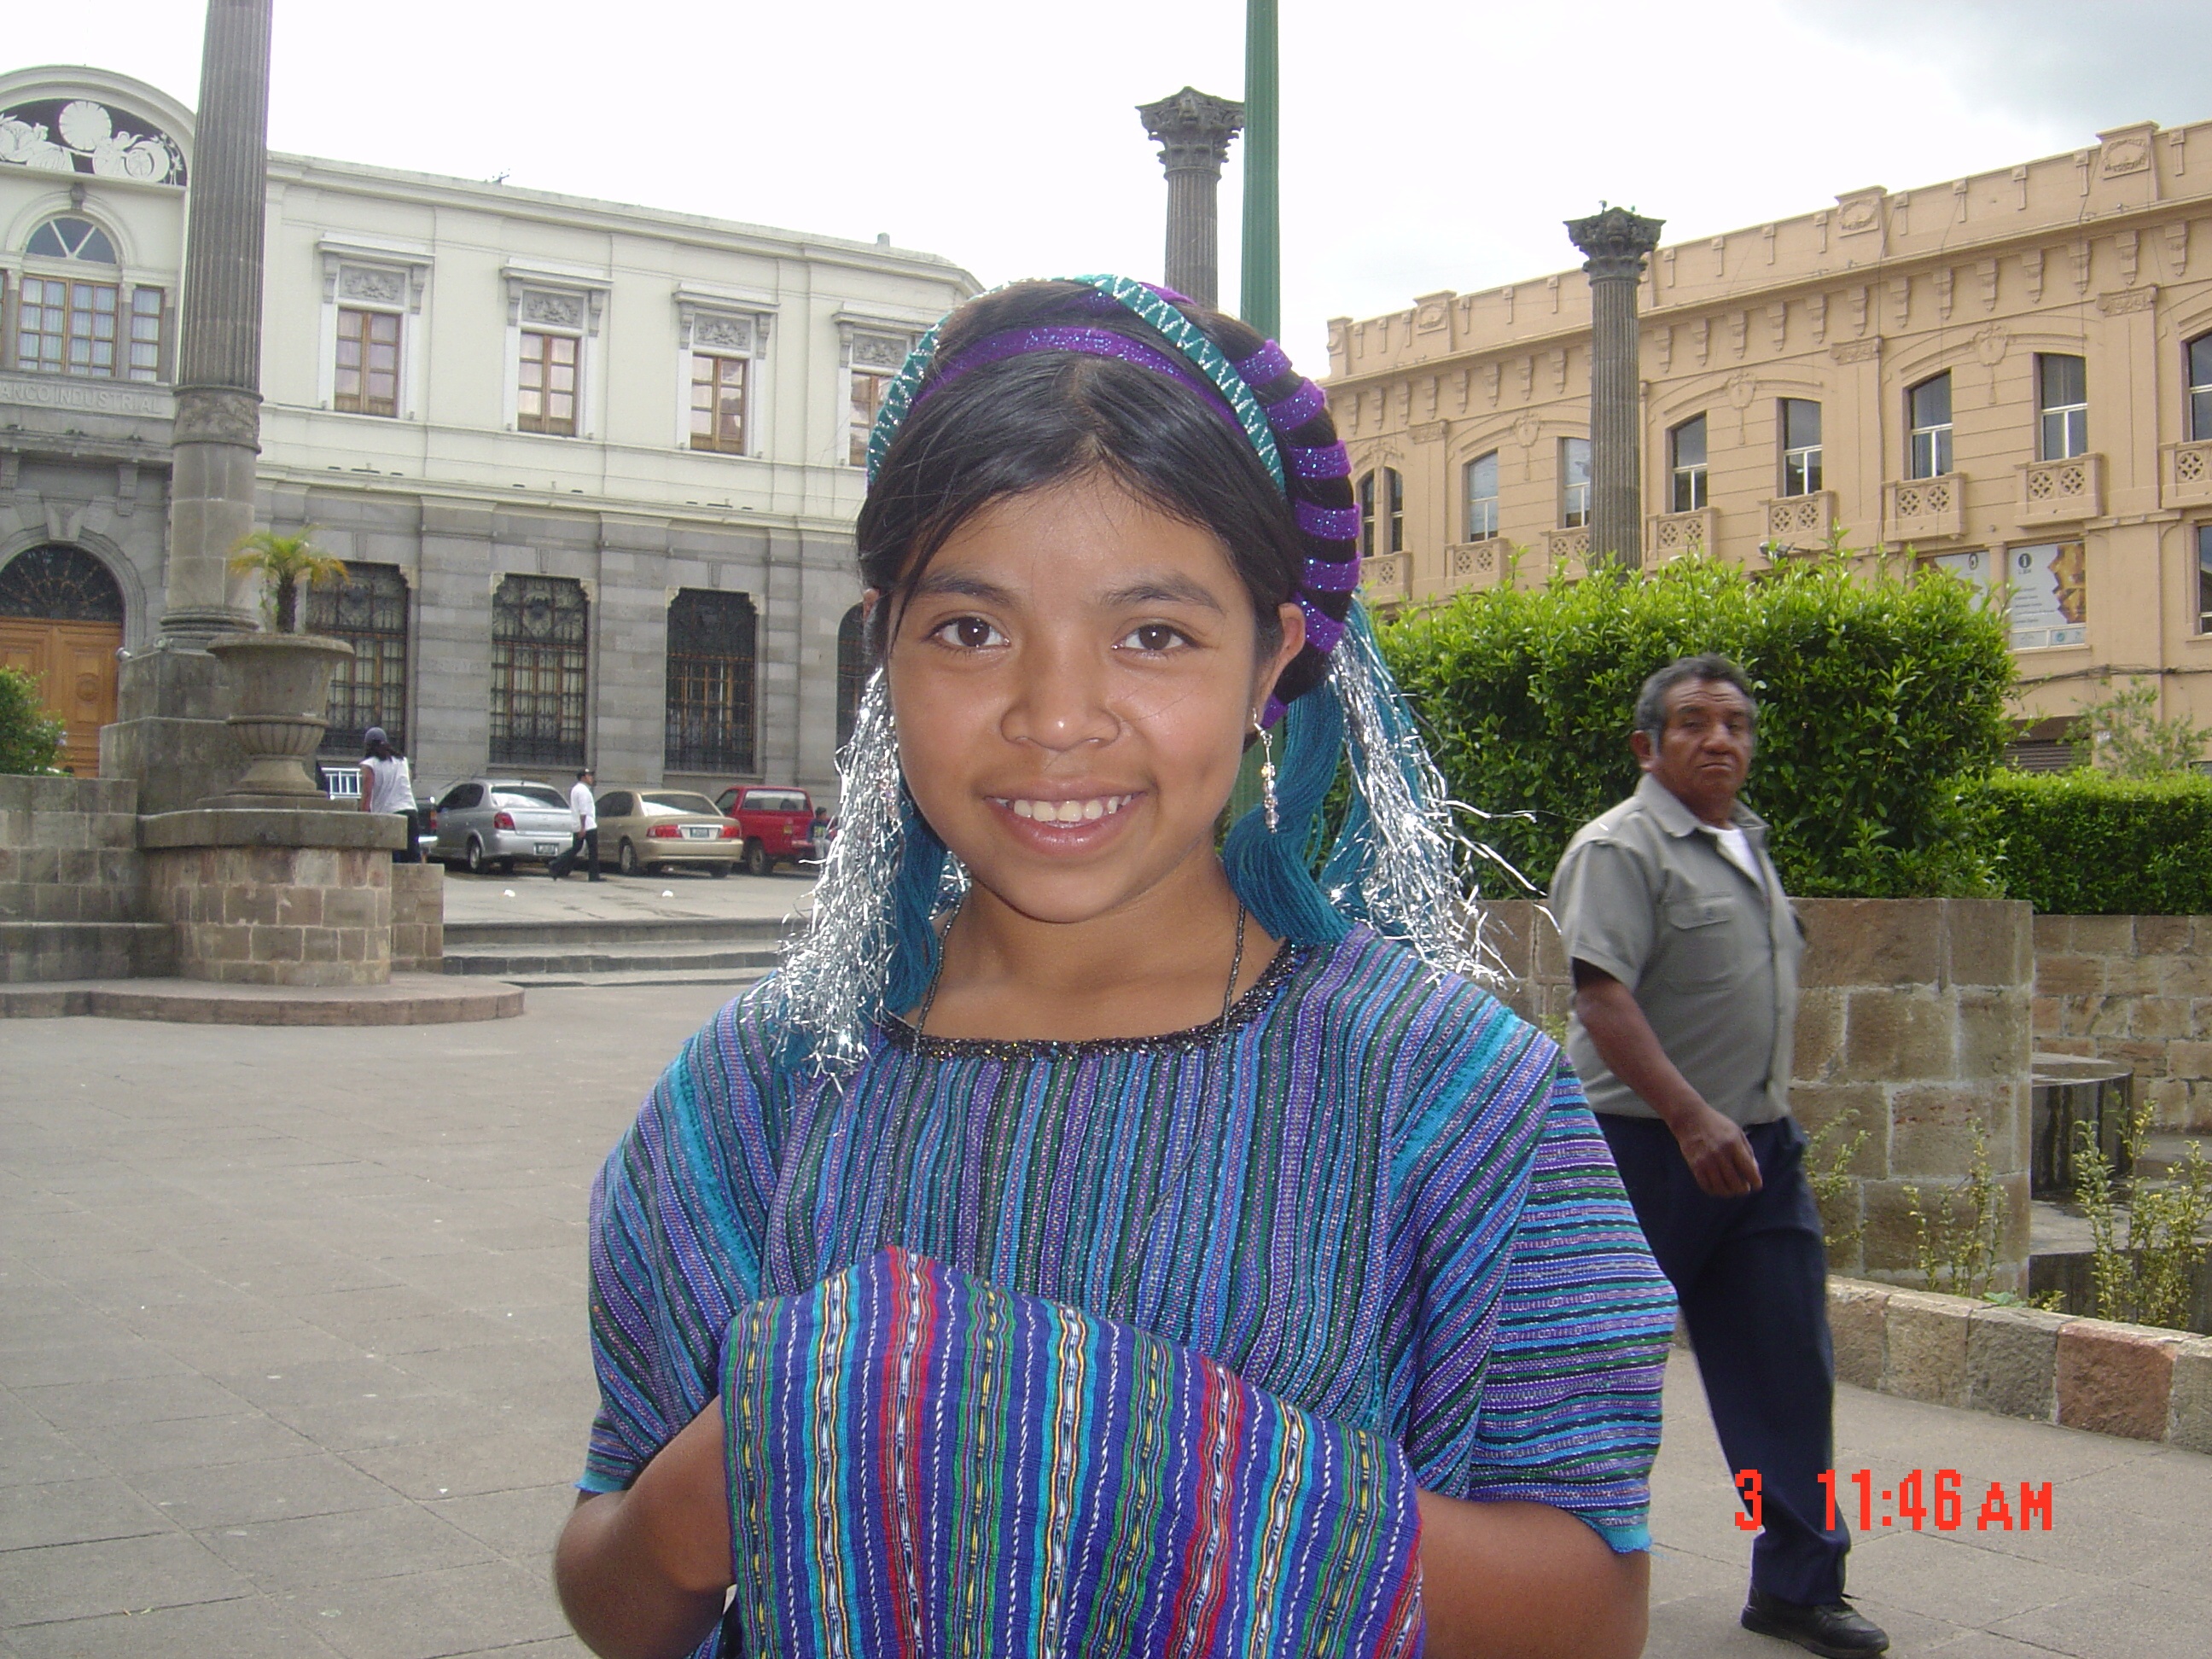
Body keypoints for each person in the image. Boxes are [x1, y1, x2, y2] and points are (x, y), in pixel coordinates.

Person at [554, 276, 1674, 1659]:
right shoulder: (760, 1090)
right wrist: (738, 1464)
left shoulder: (1455, 1101)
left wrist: (1113, 1445)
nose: (1057, 715)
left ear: (1271, 657)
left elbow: (1589, 1611)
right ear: (884, 644)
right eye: (970, 629)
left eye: (1153, 634)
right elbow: (611, 1589)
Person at [1551, 655, 1889, 1659]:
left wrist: (1731, 1124)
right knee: (1600, 1370)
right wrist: (1691, 1117)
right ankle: (1556, 1576)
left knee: (1788, 1369)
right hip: (1641, 1151)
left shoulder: (1748, 843)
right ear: (1646, 745)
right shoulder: (1620, 847)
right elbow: (1601, 997)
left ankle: (1797, 1586)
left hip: (1757, 1152)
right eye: (1694, 722)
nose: (1719, 740)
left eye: (1735, 723)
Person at [356, 727, 418, 863]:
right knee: (412, 860)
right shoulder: (402, 761)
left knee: (390, 860)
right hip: (410, 812)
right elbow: (407, 782)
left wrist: (363, 817)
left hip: (388, 816)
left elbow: (367, 793)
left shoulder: (369, 765)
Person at [550, 768, 599, 881]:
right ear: (583, 777)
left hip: (579, 824)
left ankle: (557, 864)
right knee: (593, 851)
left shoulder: (576, 789)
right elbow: (583, 810)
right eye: (589, 776)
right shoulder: (583, 791)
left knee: (576, 848)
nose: (591, 778)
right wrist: (583, 827)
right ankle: (593, 875)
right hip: (587, 825)